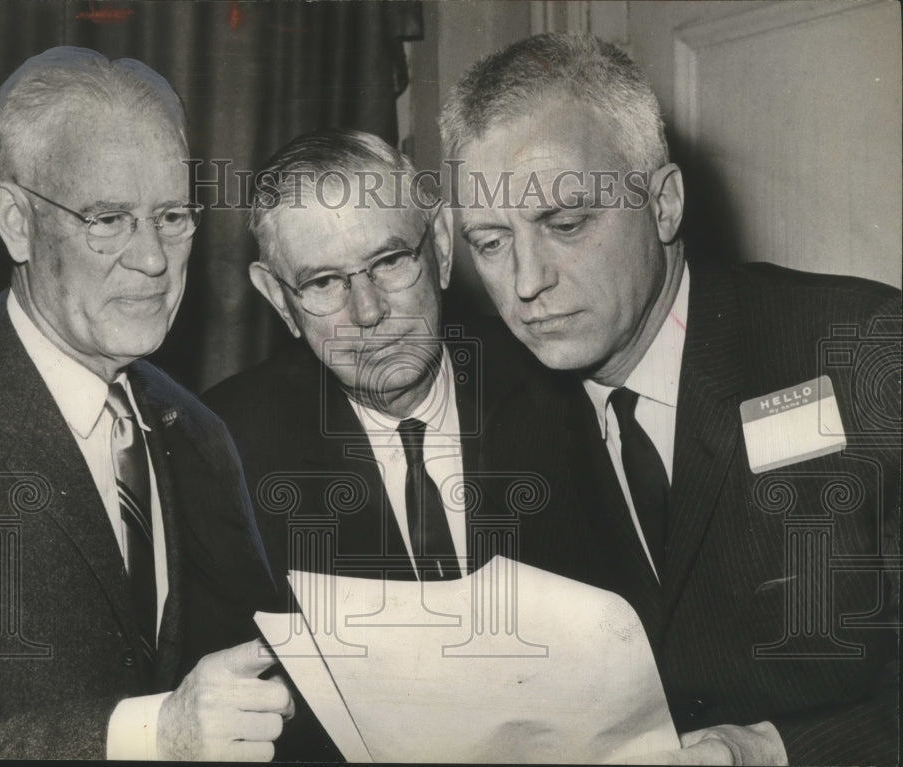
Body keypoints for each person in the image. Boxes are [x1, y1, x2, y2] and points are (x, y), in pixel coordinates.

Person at [438, 33, 900, 766]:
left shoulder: (856, 349)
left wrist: (775, 751)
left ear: (663, 203)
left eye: (564, 224)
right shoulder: (494, 433)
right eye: (491, 242)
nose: (525, 283)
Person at [0, 47, 291, 760]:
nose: (152, 259)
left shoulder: (201, 433)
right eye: (109, 218)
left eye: (172, 216)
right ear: (15, 221)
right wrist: (156, 734)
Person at [203, 129, 534, 587]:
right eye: (322, 282)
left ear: (439, 245)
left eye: (390, 260)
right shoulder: (225, 451)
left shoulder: (552, 380)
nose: (369, 311)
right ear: (280, 298)